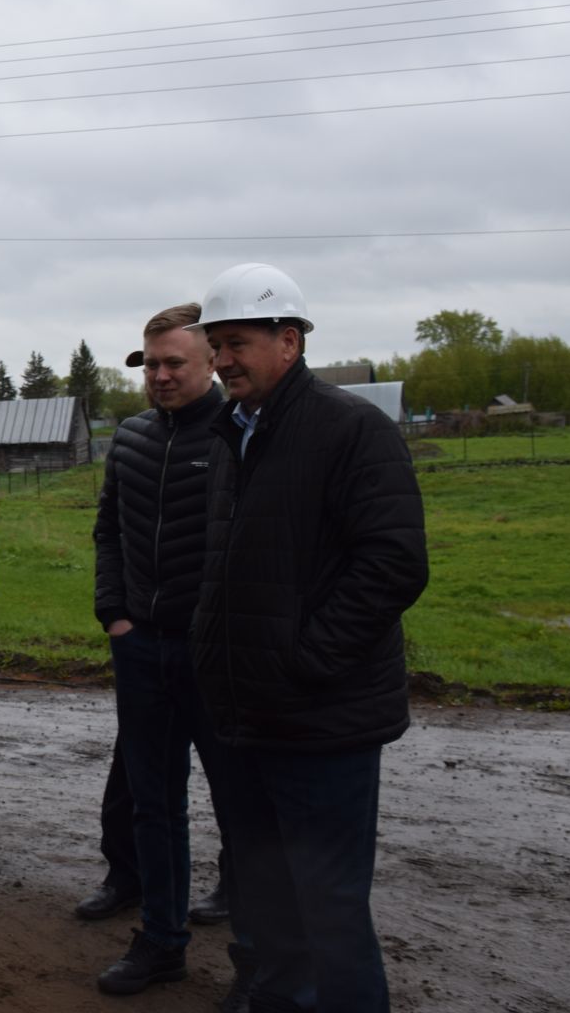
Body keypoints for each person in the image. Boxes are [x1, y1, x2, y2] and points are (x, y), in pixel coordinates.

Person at [190, 264, 428, 1013]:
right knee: (268, 904)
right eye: (216, 345)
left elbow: (393, 564)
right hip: (247, 717)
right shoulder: (236, 433)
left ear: (288, 342)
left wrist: (305, 661)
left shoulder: (351, 429)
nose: (222, 360)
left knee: (329, 911)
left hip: (322, 721)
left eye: (237, 343)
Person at [89, 303, 249, 1002]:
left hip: (218, 655)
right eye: (149, 364)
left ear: (211, 359)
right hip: (142, 649)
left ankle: (257, 960)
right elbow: (108, 534)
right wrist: (115, 614)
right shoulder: (128, 439)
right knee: (154, 804)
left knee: (242, 804)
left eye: (172, 363)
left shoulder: (239, 436)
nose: (158, 375)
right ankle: (161, 941)